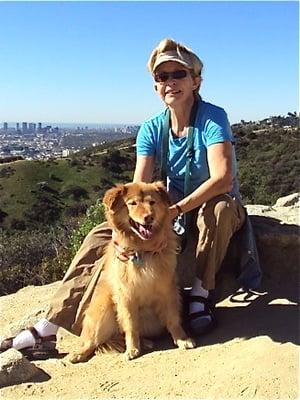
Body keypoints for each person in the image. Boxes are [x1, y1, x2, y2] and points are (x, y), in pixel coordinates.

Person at [0, 38, 261, 357]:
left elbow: (223, 178)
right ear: (155, 87)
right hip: (168, 207)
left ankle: (199, 295)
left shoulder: (211, 117)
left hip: (207, 203)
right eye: (162, 77)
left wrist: (176, 209)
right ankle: (50, 326)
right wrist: (129, 235)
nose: (170, 83)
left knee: (218, 211)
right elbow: (137, 191)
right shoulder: (152, 128)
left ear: (196, 81)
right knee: (102, 236)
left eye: (178, 74)